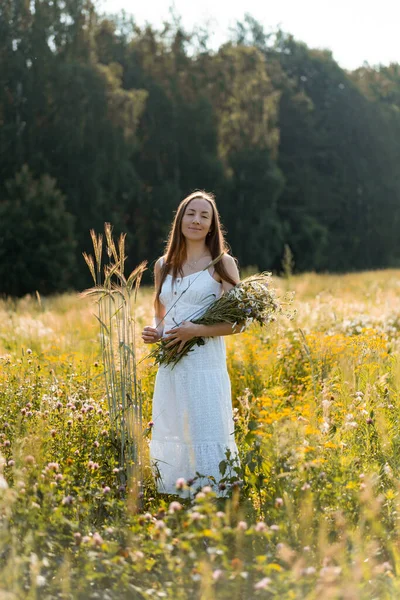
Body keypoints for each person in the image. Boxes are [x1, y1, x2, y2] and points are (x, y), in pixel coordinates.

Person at [141, 190, 242, 498]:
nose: (196, 220)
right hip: (172, 366)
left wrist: (195, 330)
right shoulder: (163, 266)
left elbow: (239, 323)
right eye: (191, 214)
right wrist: (155, 332)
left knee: (205, 427)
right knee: (174, 426)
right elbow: (162, 316)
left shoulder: (222, 264)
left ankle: (215, 498)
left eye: (204, 216)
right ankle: (177, 497)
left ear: (212, 226)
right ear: (180, 220)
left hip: (205, 366)